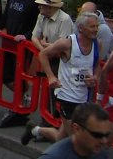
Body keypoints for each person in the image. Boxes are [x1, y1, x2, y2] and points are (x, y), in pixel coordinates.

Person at [26, 13, 101, 145]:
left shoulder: (97, 44)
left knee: (61, 138)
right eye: (92, 26)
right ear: (81, 28)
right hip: (65, 96)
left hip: (83, 97)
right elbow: (43, 54)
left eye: (97, 26)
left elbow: (97, 66)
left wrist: (95, 77)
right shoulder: (67, 44)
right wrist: (50, 76)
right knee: (77, 140)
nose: (96, 29)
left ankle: (35, 130)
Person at [0, 0, 43, 129]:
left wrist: (27, 36)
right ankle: (22, 97)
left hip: (23, 45)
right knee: (3, 75)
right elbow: (7, 13)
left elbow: (39, 23)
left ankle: (20, 104)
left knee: (18, 73)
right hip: (10, 42)